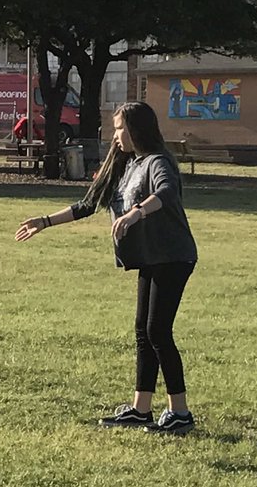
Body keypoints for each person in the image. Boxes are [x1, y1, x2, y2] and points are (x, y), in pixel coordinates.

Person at [14, 101, 199, 435]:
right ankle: (141, 409)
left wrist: (136, 212)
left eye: (118, 128)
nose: (114, 135)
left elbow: (167, 192)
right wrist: (44, 222)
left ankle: (180, 413)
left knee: (158, 332)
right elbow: (89, 204)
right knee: (143, 332)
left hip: (173, 256)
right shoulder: (127, 164)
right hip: (151, 257)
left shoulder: (157, 162)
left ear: (135, 129)